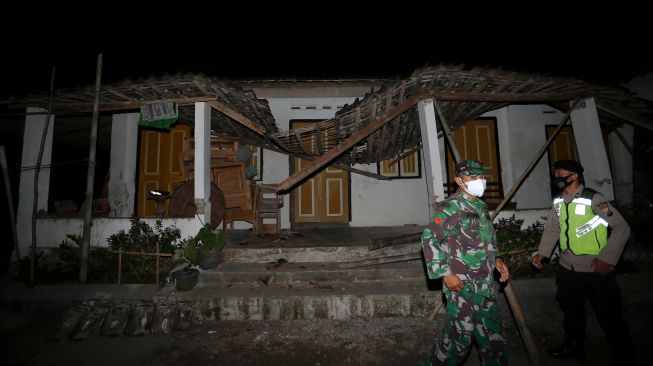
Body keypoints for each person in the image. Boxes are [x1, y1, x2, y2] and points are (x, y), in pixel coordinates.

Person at [532, 159, 632, 365]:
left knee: (609, 315)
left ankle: (623, 356)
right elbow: (553, 229)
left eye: (561, 173)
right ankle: (574, 347)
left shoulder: (595, 199)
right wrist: (542, 253)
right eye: (555, 173)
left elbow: (622, 228)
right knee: (571, 312)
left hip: (596, 267)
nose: (556, 177)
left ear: (574, 176)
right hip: (568, 267)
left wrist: (607, 258)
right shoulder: (559, 200)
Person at [421, 160, 510, 366]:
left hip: (485, 286)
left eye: (482, 177)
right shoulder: (451, 207)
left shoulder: (480, 206)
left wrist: (497, 258)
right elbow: (429, 238)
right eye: (473, 177)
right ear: (459, 181)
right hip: (463, 286)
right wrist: (445, 273)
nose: (479, 181)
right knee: (457, 342)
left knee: (494, 339)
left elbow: (487, 238)